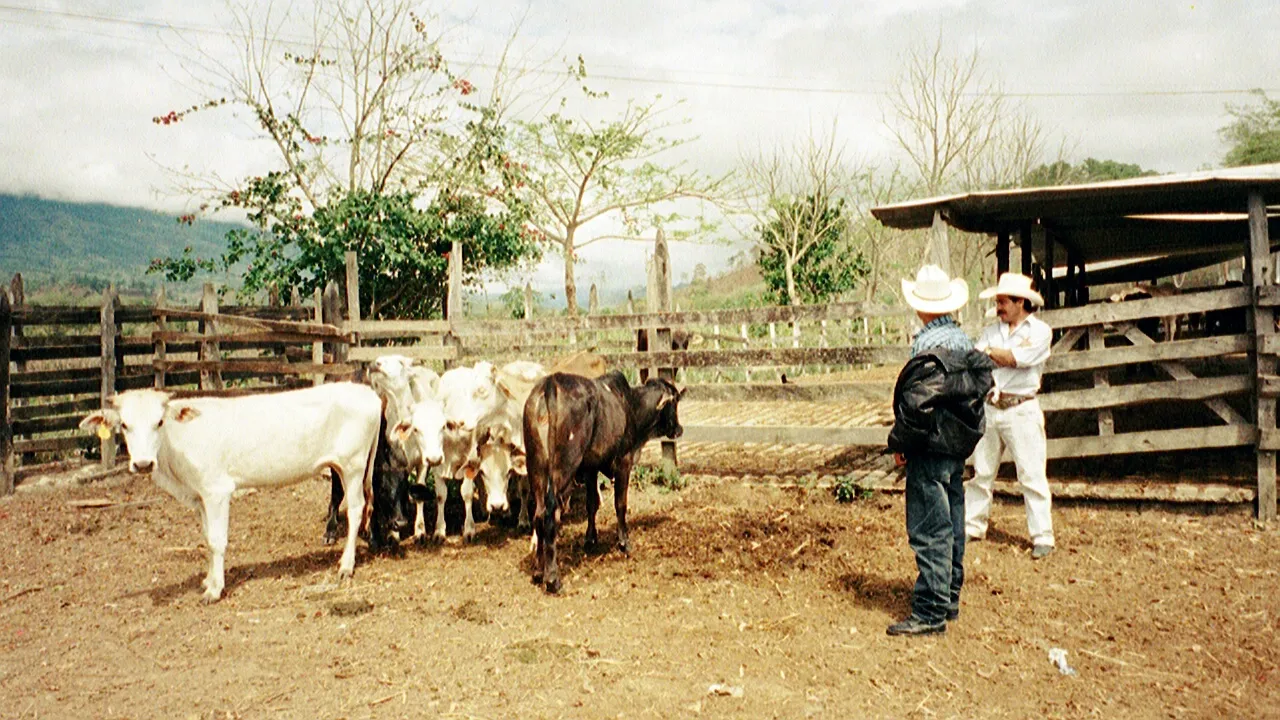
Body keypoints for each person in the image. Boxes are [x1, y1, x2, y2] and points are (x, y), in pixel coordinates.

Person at [885, 265, 994, 637]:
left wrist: (900, 442)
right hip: (955, 446)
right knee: (953, 523)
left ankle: (930, 610)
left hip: (930, 445)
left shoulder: (927, 347)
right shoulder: (964, 342)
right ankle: (948, 598)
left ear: (920, 306)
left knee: (930, 526)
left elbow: (918, 404)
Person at [965, 272, 1055, 560]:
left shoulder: (1041, 332)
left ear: (1021, 302)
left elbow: (1019, 359)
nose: (999, 306)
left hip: (1022, 409)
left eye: (1003, 301)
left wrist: (995, 353)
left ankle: (1043, 536)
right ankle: (973, 526)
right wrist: (996, 353)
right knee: (982, 472)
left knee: (1031, 474)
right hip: (992, 407)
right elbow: (976, 361)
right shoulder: (993, 331)